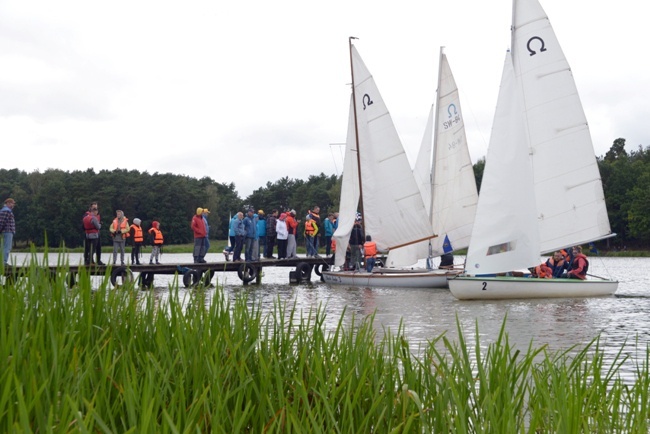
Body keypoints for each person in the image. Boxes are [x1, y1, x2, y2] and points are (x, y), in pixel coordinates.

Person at [0, 198, 16, 265]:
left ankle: (2, 261)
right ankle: (3, 262)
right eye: (12, 203)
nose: (13, 205)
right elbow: (1, 222)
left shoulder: (6, 211)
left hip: (7, 231)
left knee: (4, 247)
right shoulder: (6, 211)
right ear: (8, 203)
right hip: (7, 231)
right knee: (7, 247)